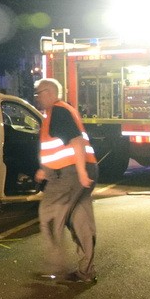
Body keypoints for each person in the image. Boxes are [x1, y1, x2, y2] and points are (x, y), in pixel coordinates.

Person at [33, 77, 98, 284]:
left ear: (50, 93)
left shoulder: (58, 112)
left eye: (39, 94)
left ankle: (56, 268)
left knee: (49, 214)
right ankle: (86, 272)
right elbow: (61, 147)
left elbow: (76, 142)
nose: (37, 98)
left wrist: (80, 173)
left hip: (70, 175)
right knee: (81, 221)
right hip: (84, 170)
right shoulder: (62, 111)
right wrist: (45, 170)